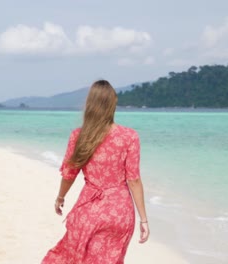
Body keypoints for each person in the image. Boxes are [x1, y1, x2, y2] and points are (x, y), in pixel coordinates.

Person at [42, 80, 149, 264]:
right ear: (113, 104)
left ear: (89, 105)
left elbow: (69, 174)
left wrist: (60, 197)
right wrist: (144, 219)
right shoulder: (130, 136)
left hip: (89, 210)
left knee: (75, 258)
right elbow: (134, 180)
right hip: (120, 212)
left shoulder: (79, 136)